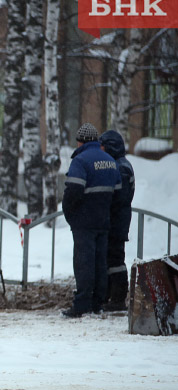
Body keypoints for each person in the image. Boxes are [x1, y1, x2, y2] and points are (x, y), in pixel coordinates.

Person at [61, 123, 122, 318]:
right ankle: (98, 303)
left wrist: (70, 215)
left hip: (84, 222)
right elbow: (119, 194)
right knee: (100, 262)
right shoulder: (110, 161)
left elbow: (73, 192)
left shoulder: (80, 161)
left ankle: (82, 304)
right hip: (103, 220)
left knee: (84, 263)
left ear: (80, 142)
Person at [99, 130, 135, 311]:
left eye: (103, 146)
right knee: (111, 257)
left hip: (116, 221)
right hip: (117, 220)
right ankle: (110, 296)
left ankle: (118, 297)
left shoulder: (120, 167)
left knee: (115, 259)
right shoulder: (121, 164)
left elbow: (118, 196)